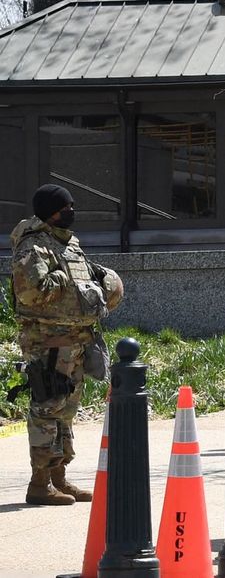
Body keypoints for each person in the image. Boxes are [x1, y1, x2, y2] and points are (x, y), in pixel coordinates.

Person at [9, 184, 122, 505]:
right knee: (47, 407)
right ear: (50, 211)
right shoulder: (33, 247)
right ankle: (39, 483)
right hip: (48, 342)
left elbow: (84, 284)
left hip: (76, 340)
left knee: (66, 410)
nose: (72, 212)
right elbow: (31, 293)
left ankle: (59, 477)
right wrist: (67, 280)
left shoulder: (68, 244)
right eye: (66, 207)